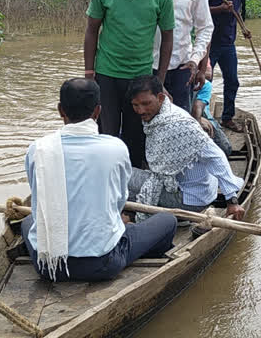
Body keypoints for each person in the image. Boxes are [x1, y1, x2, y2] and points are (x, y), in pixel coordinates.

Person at [20, 78, 177, 282]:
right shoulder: (115, 147)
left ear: (60, 110)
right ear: (97, 112)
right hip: (102, 263)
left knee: (28, 221)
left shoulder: (38, 149)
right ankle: (149, 258)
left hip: (48, 266)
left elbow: (38, 199)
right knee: (168, 220)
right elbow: (120, 200)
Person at [83, 0, 175, 168]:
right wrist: (89, 73)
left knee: (137, 136)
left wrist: (160, 80)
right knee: (107, 134)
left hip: (141, 77)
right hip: (107, 74)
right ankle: (106, 180)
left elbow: (167, 38)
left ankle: (132, 189)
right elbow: (92, 30)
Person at [126, 75, 245, 220]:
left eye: (146, 103)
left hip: (189, 198)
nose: (140, 110)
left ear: (161, 98)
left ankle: (137, 217)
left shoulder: (179, 124)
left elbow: (216, 156)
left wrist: (232, 200)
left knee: (118, 174)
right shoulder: (159, 117)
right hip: (187, 190)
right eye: (135, 105)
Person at [151, 0, 213, 113]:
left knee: (180, 118)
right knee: (146, 118)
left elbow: (205, 28)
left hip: (181, 66)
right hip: (147, 65)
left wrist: (196, 61)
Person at [207, 0, 251, 132]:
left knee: (232, 81)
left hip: (228, 43)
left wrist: (244, 28)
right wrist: (220, 9)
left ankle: (227, 118)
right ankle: (197, 117)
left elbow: (238, 11)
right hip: (209, 43)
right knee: (203, 81)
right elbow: (197, 11)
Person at [192, 59, 232, 157]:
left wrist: (199, 121)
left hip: (201, 115)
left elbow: (198, 106)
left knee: (225, 149)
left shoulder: (205, 85)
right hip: (185, 117)